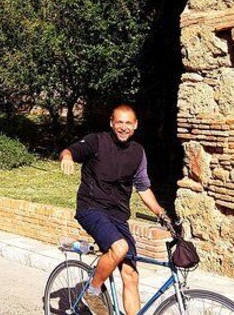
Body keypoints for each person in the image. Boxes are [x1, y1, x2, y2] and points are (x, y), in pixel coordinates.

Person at [59, 105, 169, 315]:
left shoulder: (138, 152)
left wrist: (161, 214)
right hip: (91, 208)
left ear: (135, 125)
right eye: (119, 122)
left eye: (128, 123)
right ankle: (92, 291)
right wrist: (66, 157)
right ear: (112, 122)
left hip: (118, 215)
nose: (123, 127)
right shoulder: (97, 141)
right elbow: (71, 150)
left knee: (131, 275)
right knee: (119, 248)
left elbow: (143, 188)